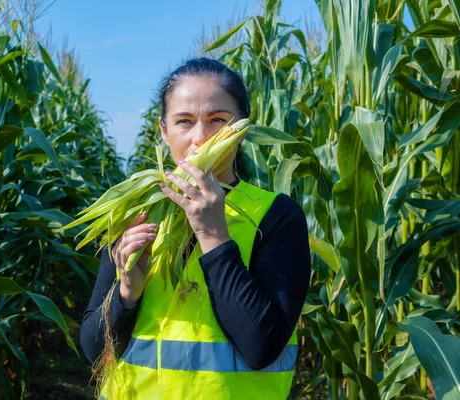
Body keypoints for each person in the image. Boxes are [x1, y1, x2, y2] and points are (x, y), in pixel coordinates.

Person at [80, 57, 311, 399]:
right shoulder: (133, 212)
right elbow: (92, 349)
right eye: (184, 121)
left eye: (218, 120)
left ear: (241, 129)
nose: (200, 138)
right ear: (164, 130)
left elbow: (261, 347)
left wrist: (214, 236)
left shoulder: (275, 217)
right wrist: (126, 292)